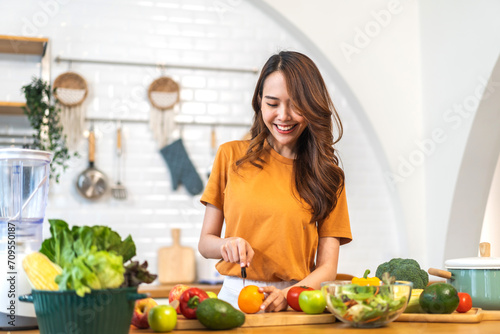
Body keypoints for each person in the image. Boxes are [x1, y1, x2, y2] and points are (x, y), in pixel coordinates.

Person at [198, 51, 352, 312]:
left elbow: (327, 268)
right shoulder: (230, 156)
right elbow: (205, 243)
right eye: (273, 104)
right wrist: (226, 244)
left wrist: (290, 294)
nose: (284, 115)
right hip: (236, 297)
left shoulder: (328, 176)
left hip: (297, 300)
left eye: (296, 105)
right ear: (259, 102)